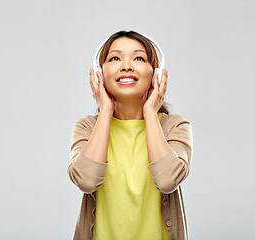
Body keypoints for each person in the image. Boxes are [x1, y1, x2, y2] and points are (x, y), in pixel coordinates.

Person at [68, 30, 193, 240]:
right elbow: (86, 181)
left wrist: (151, 112)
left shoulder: (175, 126)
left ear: (156, 73)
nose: (126, 66)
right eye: (115, 58)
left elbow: (167, 181)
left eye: (138, 58)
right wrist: (106, 110)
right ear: (100, 73)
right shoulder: (86, 127)